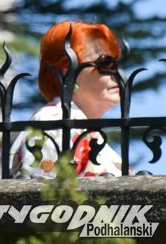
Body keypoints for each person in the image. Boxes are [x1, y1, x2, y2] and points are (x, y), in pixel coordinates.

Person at [10, 20, 126, 177]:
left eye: (117, 65)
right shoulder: (54, 121)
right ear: (68, 71)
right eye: (105, 63)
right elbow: (44, 190)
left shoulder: (79, 126)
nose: (117, 73)